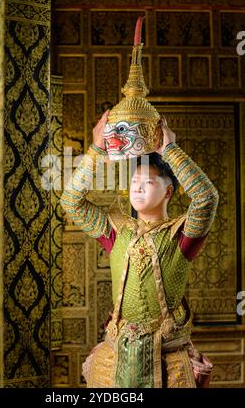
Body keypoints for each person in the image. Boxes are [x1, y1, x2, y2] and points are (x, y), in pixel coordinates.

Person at [60, 112, 219, 388]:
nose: (138, 188)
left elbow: (206, 198)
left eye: (148, 182)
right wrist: (96, 148)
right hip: (116, 354)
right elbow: (71, 201)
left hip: (168, 360)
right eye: (134, 182)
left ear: (168, 192)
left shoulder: (181, 234)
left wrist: (170, 150)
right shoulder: (116, 230)